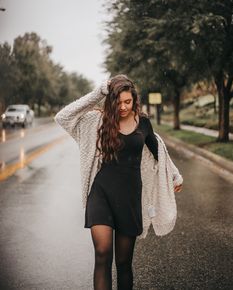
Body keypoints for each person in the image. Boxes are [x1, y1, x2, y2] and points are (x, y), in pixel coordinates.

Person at [55, 74, 183, 290]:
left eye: (128, 101)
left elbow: (158, 150)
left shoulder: (143, 122)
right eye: (118, 101)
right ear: (110, 100)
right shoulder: (98, 120)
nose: (123, 107)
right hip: (101, 192)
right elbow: (63, 117)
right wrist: (98, 92)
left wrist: (174, 175)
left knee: (123, 263)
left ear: (134, 100)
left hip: (130, 198)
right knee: (103, 253)